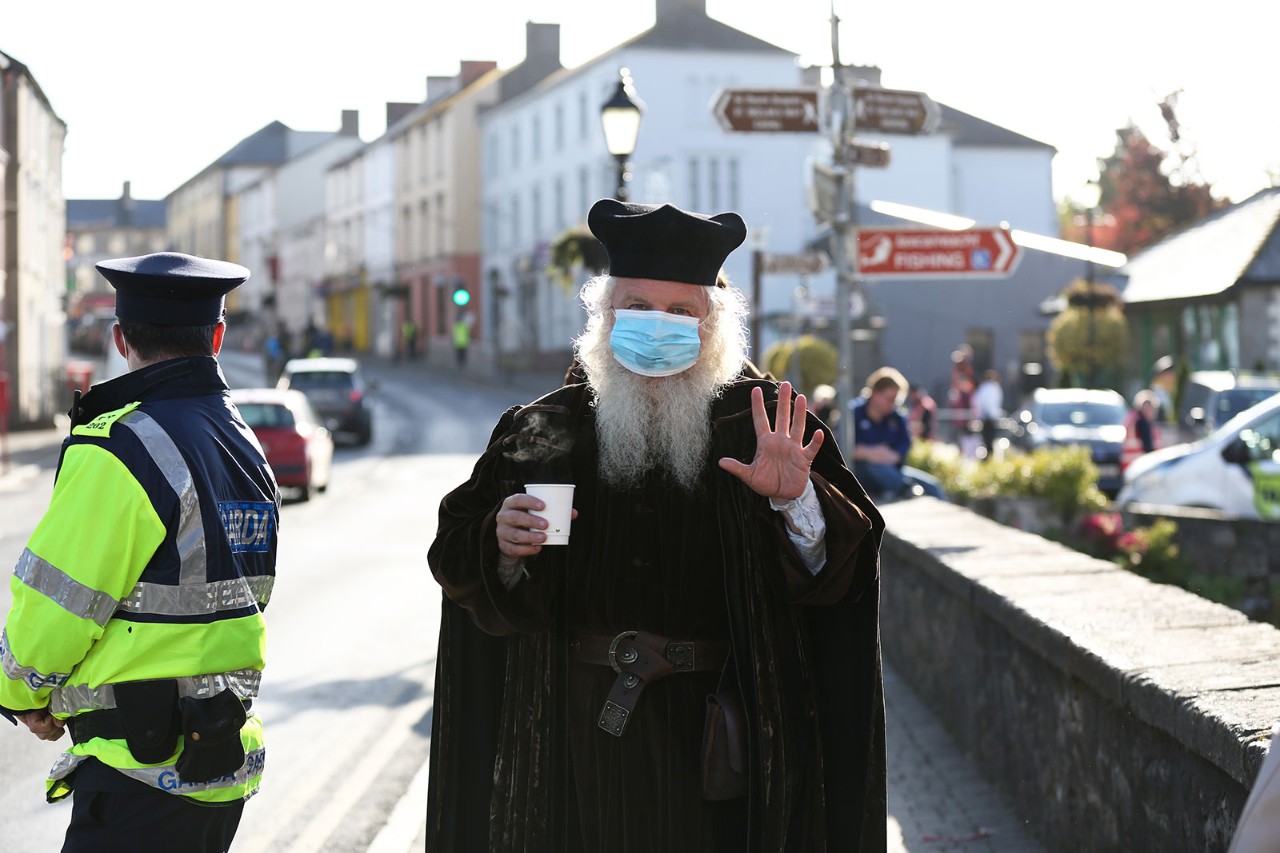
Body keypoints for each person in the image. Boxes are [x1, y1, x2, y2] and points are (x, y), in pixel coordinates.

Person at [426, 199, 887, 852]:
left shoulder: (766, 426)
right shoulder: (543, 430)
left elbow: (847, 570)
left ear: (712, 324)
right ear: (606, 316)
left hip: (723, 741)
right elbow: (454, 553)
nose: (656, 324)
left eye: (679, 311)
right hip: (571, 741)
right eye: (637, 306)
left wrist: (797, 503)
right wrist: (499, 543)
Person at [0, 252, 278, 852]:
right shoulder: (245, 447)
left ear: (120, 339)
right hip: (219, 765)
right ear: (217, 338)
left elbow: (58, 605)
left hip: (141, 776)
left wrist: (19, 693)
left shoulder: (122, 447)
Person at [849, 366, 946, 500]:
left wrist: (891, 456)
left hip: (893, 471)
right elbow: (842, 447)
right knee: (875, 468)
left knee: (933, 485)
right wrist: (869, 453)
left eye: (896, 400)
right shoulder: (853, 413)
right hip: (861, 474)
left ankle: (908, 489)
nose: (893, 404)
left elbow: (904, 447)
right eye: (889, 399)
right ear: (875, 393)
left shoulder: (897, 417)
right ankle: (905, 488)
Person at [1121, 388, 1163, 471]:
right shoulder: (1142, 422)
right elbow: (1148, 447)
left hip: (1130, 465)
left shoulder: (1133, 419)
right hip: (1138, 466)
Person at [971, 368, 1004, 460]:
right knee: (990, 440)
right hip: (990, 418)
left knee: (986, 440)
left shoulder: (984, 388)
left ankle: (987, 458)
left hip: (985, 418)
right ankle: (989, 458)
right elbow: (992, 405)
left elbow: (977, 402)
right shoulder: (993, 388)